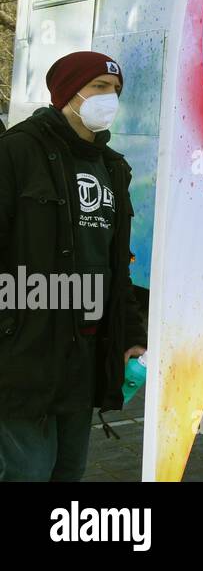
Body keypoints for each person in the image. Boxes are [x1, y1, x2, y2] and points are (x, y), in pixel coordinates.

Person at [0, 51, 147, 481]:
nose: (110, 98)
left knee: (68, 472)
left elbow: (117, 266)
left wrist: (132, 337)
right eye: (100, 87)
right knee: (27, 471)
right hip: (25, 352)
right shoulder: (17, 152)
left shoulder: (113, 168)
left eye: (115, 90)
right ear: (69, 92)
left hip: (86, 356)